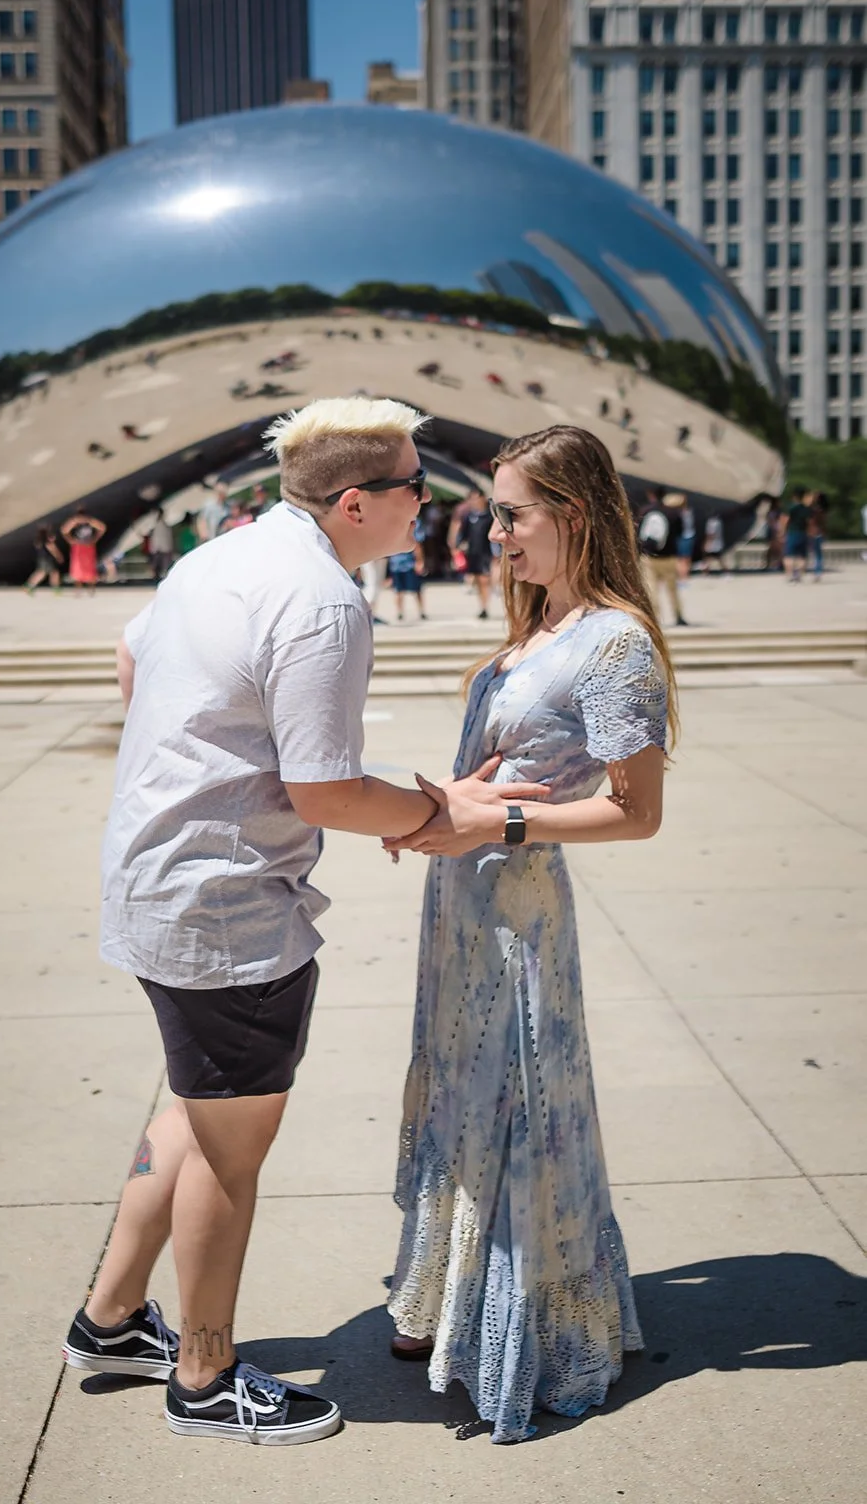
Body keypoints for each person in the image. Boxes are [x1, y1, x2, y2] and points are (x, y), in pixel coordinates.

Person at [64, 397, 548, 1445]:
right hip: (226, 906)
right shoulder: (324, 601)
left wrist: (196, 763)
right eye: (416, 487)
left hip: (156, 876)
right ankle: (204, 1376)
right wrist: (439, 813)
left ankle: (109, 1320)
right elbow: (323, 790)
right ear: (357, 502)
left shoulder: (222, 556)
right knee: (229, 1153)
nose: (430, 502)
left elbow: (131, 661)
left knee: (199, 1110)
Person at [383, 423, 675, 1445]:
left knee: (515, 1108)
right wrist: (436, 808)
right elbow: (497, 767)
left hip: (517, 912)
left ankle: (529, 1329)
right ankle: (443, 1297)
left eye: (510, 515)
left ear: (573, 515)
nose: (492, 532)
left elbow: (635, 812)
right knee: (461, 1097)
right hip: (462, 906)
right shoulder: (538, 623)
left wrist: (492, 824)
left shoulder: (614, 641)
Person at [637, 488, 688, 626]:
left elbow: (638, 532)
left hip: (649, 558)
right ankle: (678, 615)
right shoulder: (673, 513)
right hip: (669, 557)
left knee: (652, 589)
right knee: (672, 589)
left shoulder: (645, 511)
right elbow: (681, 532)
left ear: (650, 495)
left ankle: (655, 618)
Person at [454, 486, 495, 619]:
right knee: (478, 580)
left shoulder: (489, 516)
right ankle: (482, 606)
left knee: (484, 579)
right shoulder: (469, 516)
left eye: (476, 498)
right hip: (472, 553)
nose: (474, 501)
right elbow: (463, 533)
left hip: (486, 552)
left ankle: (485, 606)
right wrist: (459, 545)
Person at [61, 508, 106, 595]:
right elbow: (64, 531)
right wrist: (70, 539)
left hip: (88, 548)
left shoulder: (89, 522)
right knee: (77, 568)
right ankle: (78, 589)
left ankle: (91, 588)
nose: (82, 519)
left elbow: (102, 528)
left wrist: (95, 538)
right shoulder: (75, 523)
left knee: (90, 569)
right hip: (78, 548)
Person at [388, 524, 427, 622]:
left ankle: (404, 612)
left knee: (401, 590)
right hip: (404, 562)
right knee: (408, 590)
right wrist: (419, 561)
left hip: (400, 562)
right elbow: (417, 544)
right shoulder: (414, 523)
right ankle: (412, 611)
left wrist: (419, 561)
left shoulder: (393, 524)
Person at [782, 487, 811, 583]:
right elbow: (809, 522)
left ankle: (789, 575)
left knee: (789, 555)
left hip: (792, 532)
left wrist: (782, 531)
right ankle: (799, 575)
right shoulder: (806, 509)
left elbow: (785, 519)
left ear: (794, 496)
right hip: (803, 532)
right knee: (802, 556)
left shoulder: (791, 507)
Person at [25, 524, 63, 593]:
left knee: (41, 573)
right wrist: (59, 556)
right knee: (54, 573)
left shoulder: (38, 540)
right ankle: (56, 589)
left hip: (42, 558)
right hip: (48, 559)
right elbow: (52, 548)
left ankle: (29, 586)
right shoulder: (48, 539)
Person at [145, 506, 174, 584]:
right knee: (161, 566)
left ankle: (157, 579)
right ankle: (159, 579)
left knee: (157, 566)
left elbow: (156, 538)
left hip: (158, 548)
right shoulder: (164, 525)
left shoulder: (157, 525)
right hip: (162, 548)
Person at [807, 490, 828, 582]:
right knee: (818, 554)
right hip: (819, 533)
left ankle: (816, 572)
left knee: (809, 553)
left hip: (812, 533)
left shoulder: (813, 510)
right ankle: (818, 572)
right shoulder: (823, 510)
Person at [676, 498, 697, 583]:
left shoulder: (681, 513)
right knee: (686, 558)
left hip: (684, 536)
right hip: (689, 535)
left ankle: (683, 576)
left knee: (682, 558)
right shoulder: (689, 512)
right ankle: (684, 575)